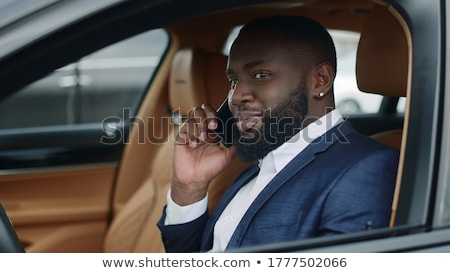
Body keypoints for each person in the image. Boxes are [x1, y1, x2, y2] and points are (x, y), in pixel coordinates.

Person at [157, 15, 399, 253]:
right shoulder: (254, 168)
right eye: (233, 81)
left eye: (261, 75)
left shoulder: (367, 167)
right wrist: (189, 187)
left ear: (320, 80)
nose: (237, 95)